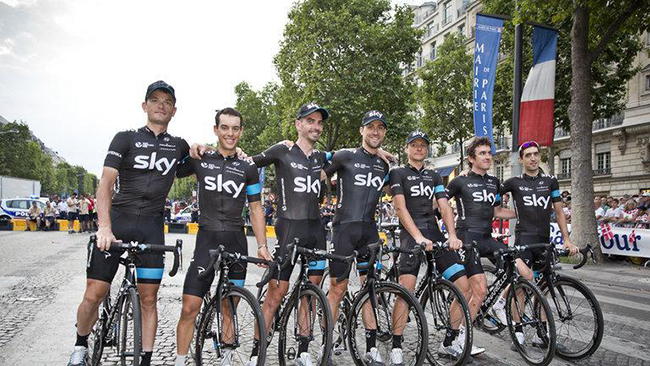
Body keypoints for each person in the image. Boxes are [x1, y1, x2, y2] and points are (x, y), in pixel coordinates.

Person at [67, 80, 191, 366]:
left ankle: (146, 360)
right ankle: (80, 345)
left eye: (167, 102)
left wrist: (200, 148)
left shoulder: (179, 146)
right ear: (144, 105)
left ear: (174, 110)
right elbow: (105, 184)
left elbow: (207, 159)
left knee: (149, 300)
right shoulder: (125, 138)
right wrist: (104, 227)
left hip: (151, 225)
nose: (161, 105)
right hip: (118, 221)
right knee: (94, 294)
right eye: (155, 100)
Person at [174, 108, 267, 366]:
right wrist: (191, 148)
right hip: (207, 242)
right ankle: (181, 360)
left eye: (235, 128)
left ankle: (226, 358)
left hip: (236, 240)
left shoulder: (248, 166)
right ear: (215, 130)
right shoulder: (201, 159)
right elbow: (171, 166)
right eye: (224, 127)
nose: (230, 133)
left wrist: (262, 245)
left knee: (229, 308)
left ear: (241, 131)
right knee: (189, 308)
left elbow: (256, 207)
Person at [249, 103, 332, 366]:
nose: (316, 126)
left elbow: (355, 155)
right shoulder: (282, 150)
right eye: (310, 121)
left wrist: (383, 152)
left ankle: (304, 350)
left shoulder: (321, 157)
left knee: (311, 292)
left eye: (319, 122)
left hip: (316, 231)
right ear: (298, 124)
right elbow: (249, 163)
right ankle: (256, 351)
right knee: (277, 292)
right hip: (289, 229)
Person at [389, 130, 471, 360]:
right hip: (410, 233)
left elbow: (444, 207)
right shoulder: (398, 173)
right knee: (406, 290)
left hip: (433, 232)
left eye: (423, 145)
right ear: (407, 148)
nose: (419, 149)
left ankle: (449, 341)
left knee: (463, 286)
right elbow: (400, 208)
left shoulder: (434, 176)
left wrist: (452, 235)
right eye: (414, 145)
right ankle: (396, 346)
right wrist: (416, 237)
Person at [493, 140, 578, 349]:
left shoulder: (550, 181)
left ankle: (540, 335)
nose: (533, 158)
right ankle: (518, 330)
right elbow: (494, 200)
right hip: (524, 240)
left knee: (544, 288)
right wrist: (506, 212)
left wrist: (567, 239)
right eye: (528, 155)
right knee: (523, 284)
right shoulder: (513, 182)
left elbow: (559, 212)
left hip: (544, 241)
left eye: (536, 154)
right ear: (521, 159)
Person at [323, 110, 391, 365]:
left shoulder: (384, 164)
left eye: (380, 128)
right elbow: (317, 168)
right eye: (370, 127)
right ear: (361, 130)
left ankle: (371, 348)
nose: (375, 132)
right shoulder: (345, 156)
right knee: (337, 289)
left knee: (370, 289)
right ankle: (326, 346)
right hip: (343, 230)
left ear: (384, 132)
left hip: (368, 232)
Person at [445, 136, 516, 356]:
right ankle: (459, 339)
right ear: (471, 158)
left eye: (489, 153)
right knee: (479, 289)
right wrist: (450, 233)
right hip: (467, 239)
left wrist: (525, 214)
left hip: (487, 236)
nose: (488, 157)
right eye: (483, 153)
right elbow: (440, 203)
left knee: (517, 264)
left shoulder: (494, 182)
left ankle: (499, 304)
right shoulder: (459, 181)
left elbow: (496, 212)